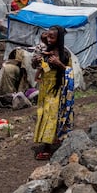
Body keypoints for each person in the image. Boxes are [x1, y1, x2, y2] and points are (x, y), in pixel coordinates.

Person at [32, 25, 74, 160]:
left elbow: (70, 72)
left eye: (52, 37)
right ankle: (51, 140)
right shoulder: (45, 52)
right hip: (45, 88)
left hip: (57, 88)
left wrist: (59, 63)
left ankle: (47, 147)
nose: (48, 39)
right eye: (47, 36)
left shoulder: (65, 54)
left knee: (51, 114)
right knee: (43, 114)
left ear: (59, 38)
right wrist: (35, 62)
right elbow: (37, 67)